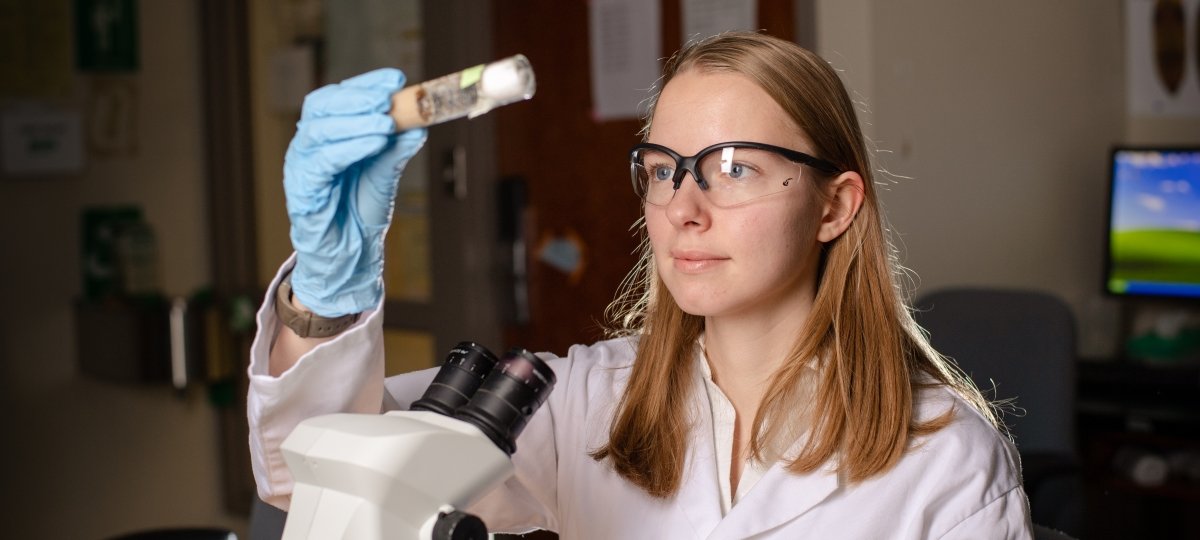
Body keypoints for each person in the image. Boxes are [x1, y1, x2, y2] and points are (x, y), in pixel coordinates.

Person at [249, 32, 1033, 538]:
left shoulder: (946, 463)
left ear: (835, 204)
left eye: (734, 168)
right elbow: (313, 476)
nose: (685, 208)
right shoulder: (580, 403)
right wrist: (330, 288)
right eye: (663, 170)